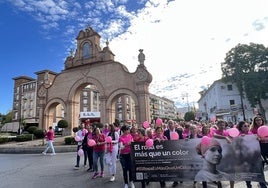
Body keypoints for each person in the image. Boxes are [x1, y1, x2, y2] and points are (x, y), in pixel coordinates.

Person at [164, 120, 183, 187]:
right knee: (173, 166)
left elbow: (182, 140)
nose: (170, 125)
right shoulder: (165, 132)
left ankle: (180, 177)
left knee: (179, 165)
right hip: (170, 151)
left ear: (174, 124)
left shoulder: (179, 131)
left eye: (171, 123)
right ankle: (175, 180)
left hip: (178, 151)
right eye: (169, 124)